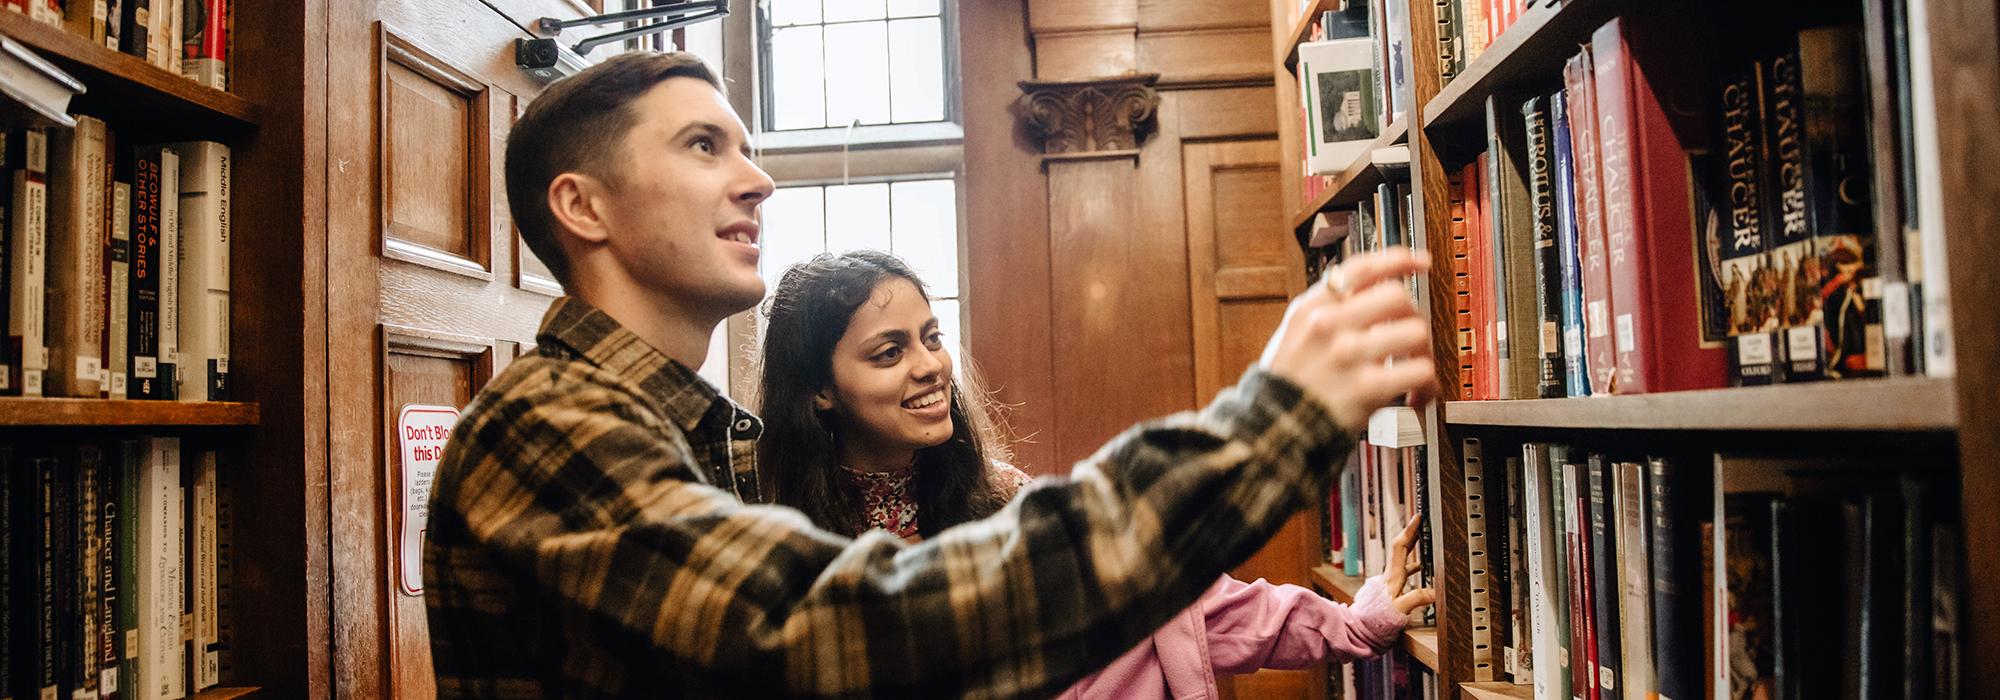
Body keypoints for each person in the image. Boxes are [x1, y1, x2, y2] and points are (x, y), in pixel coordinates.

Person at [423, 50, 1437, 698]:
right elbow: (837, 633)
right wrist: (1264, 424)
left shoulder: (702, 442)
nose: (758, 176)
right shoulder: (543, 422)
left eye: (744, 143)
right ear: (582, 207)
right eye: (701, 145)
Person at [751, 251, 1434, 698]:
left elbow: (1183, 597)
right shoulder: (773, 553)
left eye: (931, 337)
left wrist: (1352, 623)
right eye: (888, 352)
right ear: (820, 390)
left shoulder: (1000, 496)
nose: (930, 365)